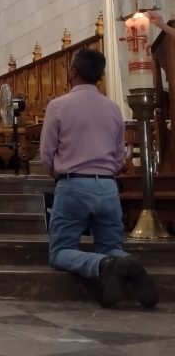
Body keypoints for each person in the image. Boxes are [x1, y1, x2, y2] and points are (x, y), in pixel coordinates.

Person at [40, 48, 158, 308]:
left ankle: (102, 265)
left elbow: (47, 154)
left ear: (72, 72)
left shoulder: (58, 106)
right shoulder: (113, 109)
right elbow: (119, 155)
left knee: (60, 251)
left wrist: (58, 175)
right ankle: (125, 262)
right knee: (110, 245)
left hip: (73, 185)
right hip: (107, 187)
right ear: (101, 76)